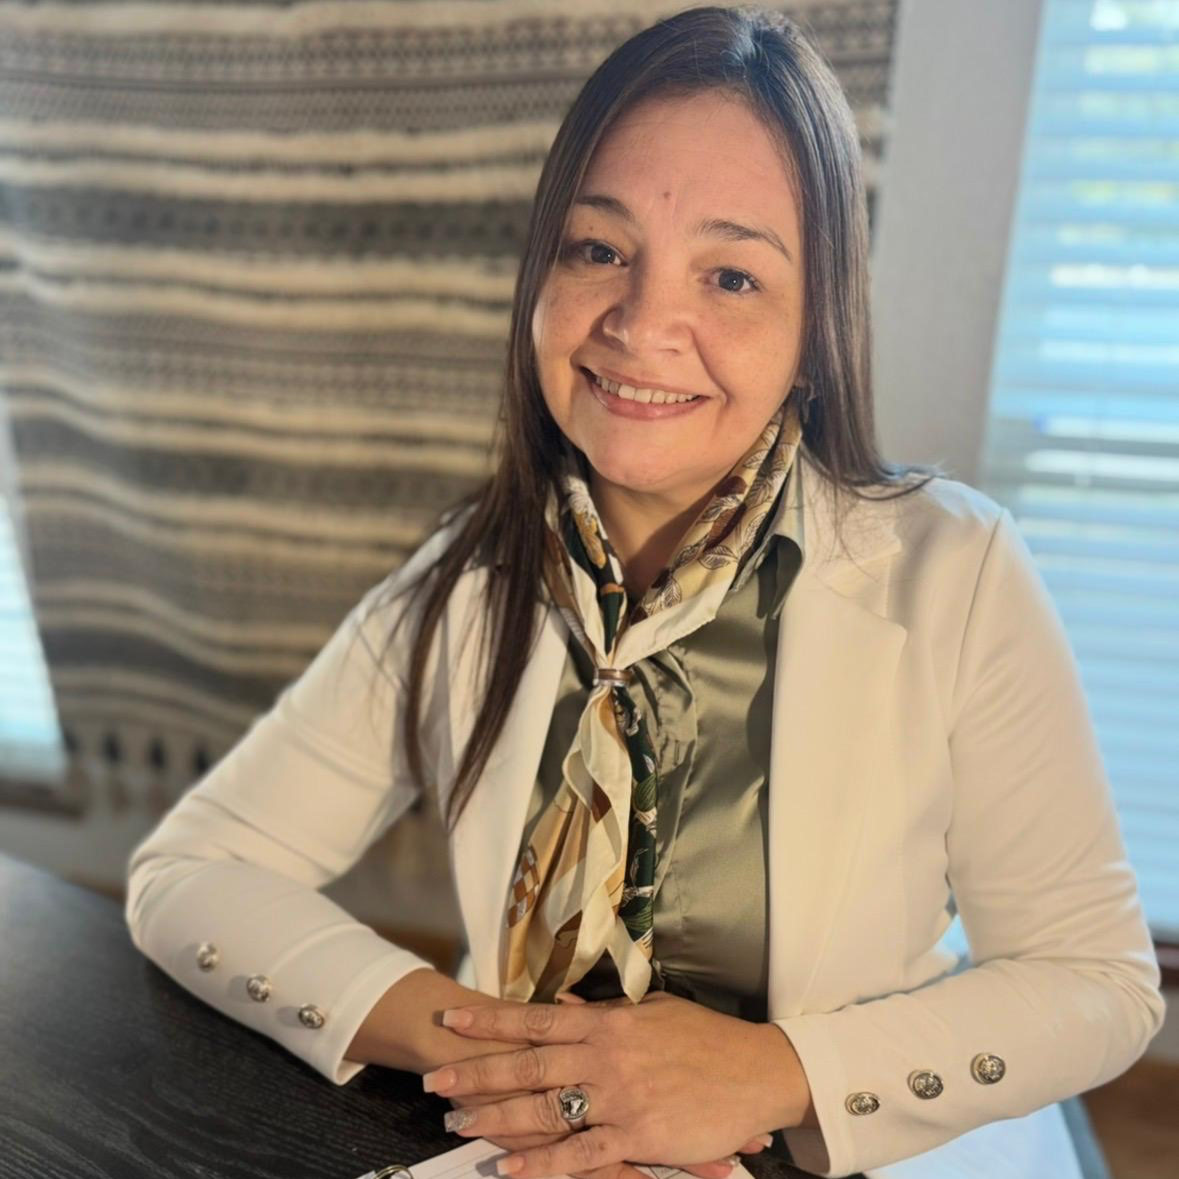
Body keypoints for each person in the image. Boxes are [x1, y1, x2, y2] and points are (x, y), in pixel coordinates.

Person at [124, 8, 1164, 1179]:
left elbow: (1099, 984)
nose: (643, 326)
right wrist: (518, 1058)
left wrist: (769, 1075)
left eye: (730, 275)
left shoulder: (953, 570)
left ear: (816, 329)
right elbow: (188, 875)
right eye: (598, 250)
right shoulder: (465, 585)